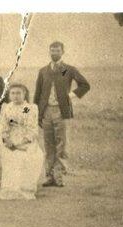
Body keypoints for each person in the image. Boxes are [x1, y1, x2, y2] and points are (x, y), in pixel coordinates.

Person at [33, 41, 91, 187]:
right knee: (48, 144)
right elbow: (37, 93)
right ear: (49, 52)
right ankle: (49, 176)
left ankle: (59, 176)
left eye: (57, 50)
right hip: (45, 111)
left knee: (61, 144)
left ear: (63, 52)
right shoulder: (43, 71)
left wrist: (70, 96)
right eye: (52, 50)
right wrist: (36, 113)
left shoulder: (69, 69)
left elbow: (85, 85)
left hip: (61, 111)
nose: (54, 53)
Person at [0, 84, 45, 200]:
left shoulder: (29, 108)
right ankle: (8, 188)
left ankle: (24, 188)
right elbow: (3, 126)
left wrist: (20, 143)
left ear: (24, 94)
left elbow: (32, 128)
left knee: (24, 155)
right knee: (3, 153)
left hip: (25, 139)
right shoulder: (7, 107)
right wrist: (6, 139)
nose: (15, 96)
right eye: (13, 93)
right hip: (10, 138)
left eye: (18, 93)